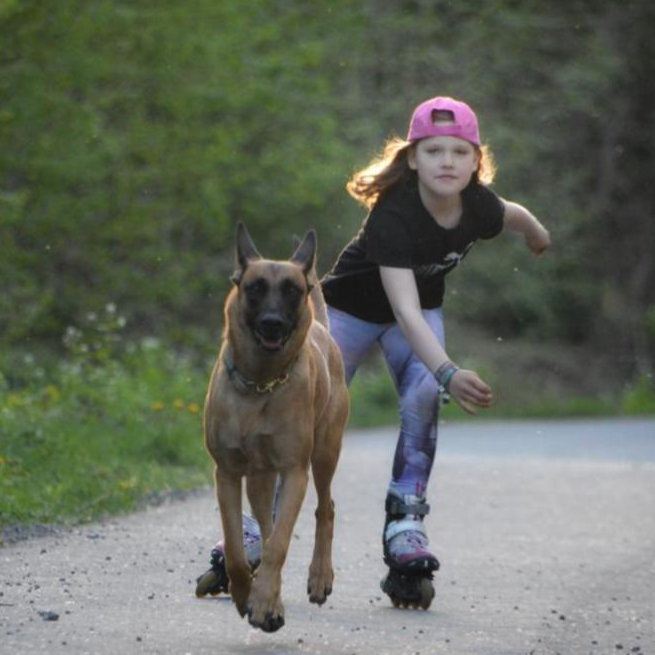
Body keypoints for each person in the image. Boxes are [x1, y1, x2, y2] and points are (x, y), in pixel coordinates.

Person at [196, 96, 550, 608]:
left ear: (477, 162)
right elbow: (402, 310)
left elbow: (512, 214)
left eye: (458, 151)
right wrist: (450, 371)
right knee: (293, 415)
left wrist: (536, 235)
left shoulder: (479, 205)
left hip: (416, 313)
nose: (446, 162)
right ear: (411, 159)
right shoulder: (395, 216)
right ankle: (255, 532)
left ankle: (406, 519)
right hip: (351, 313)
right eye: (433, 151)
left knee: (424, 393)